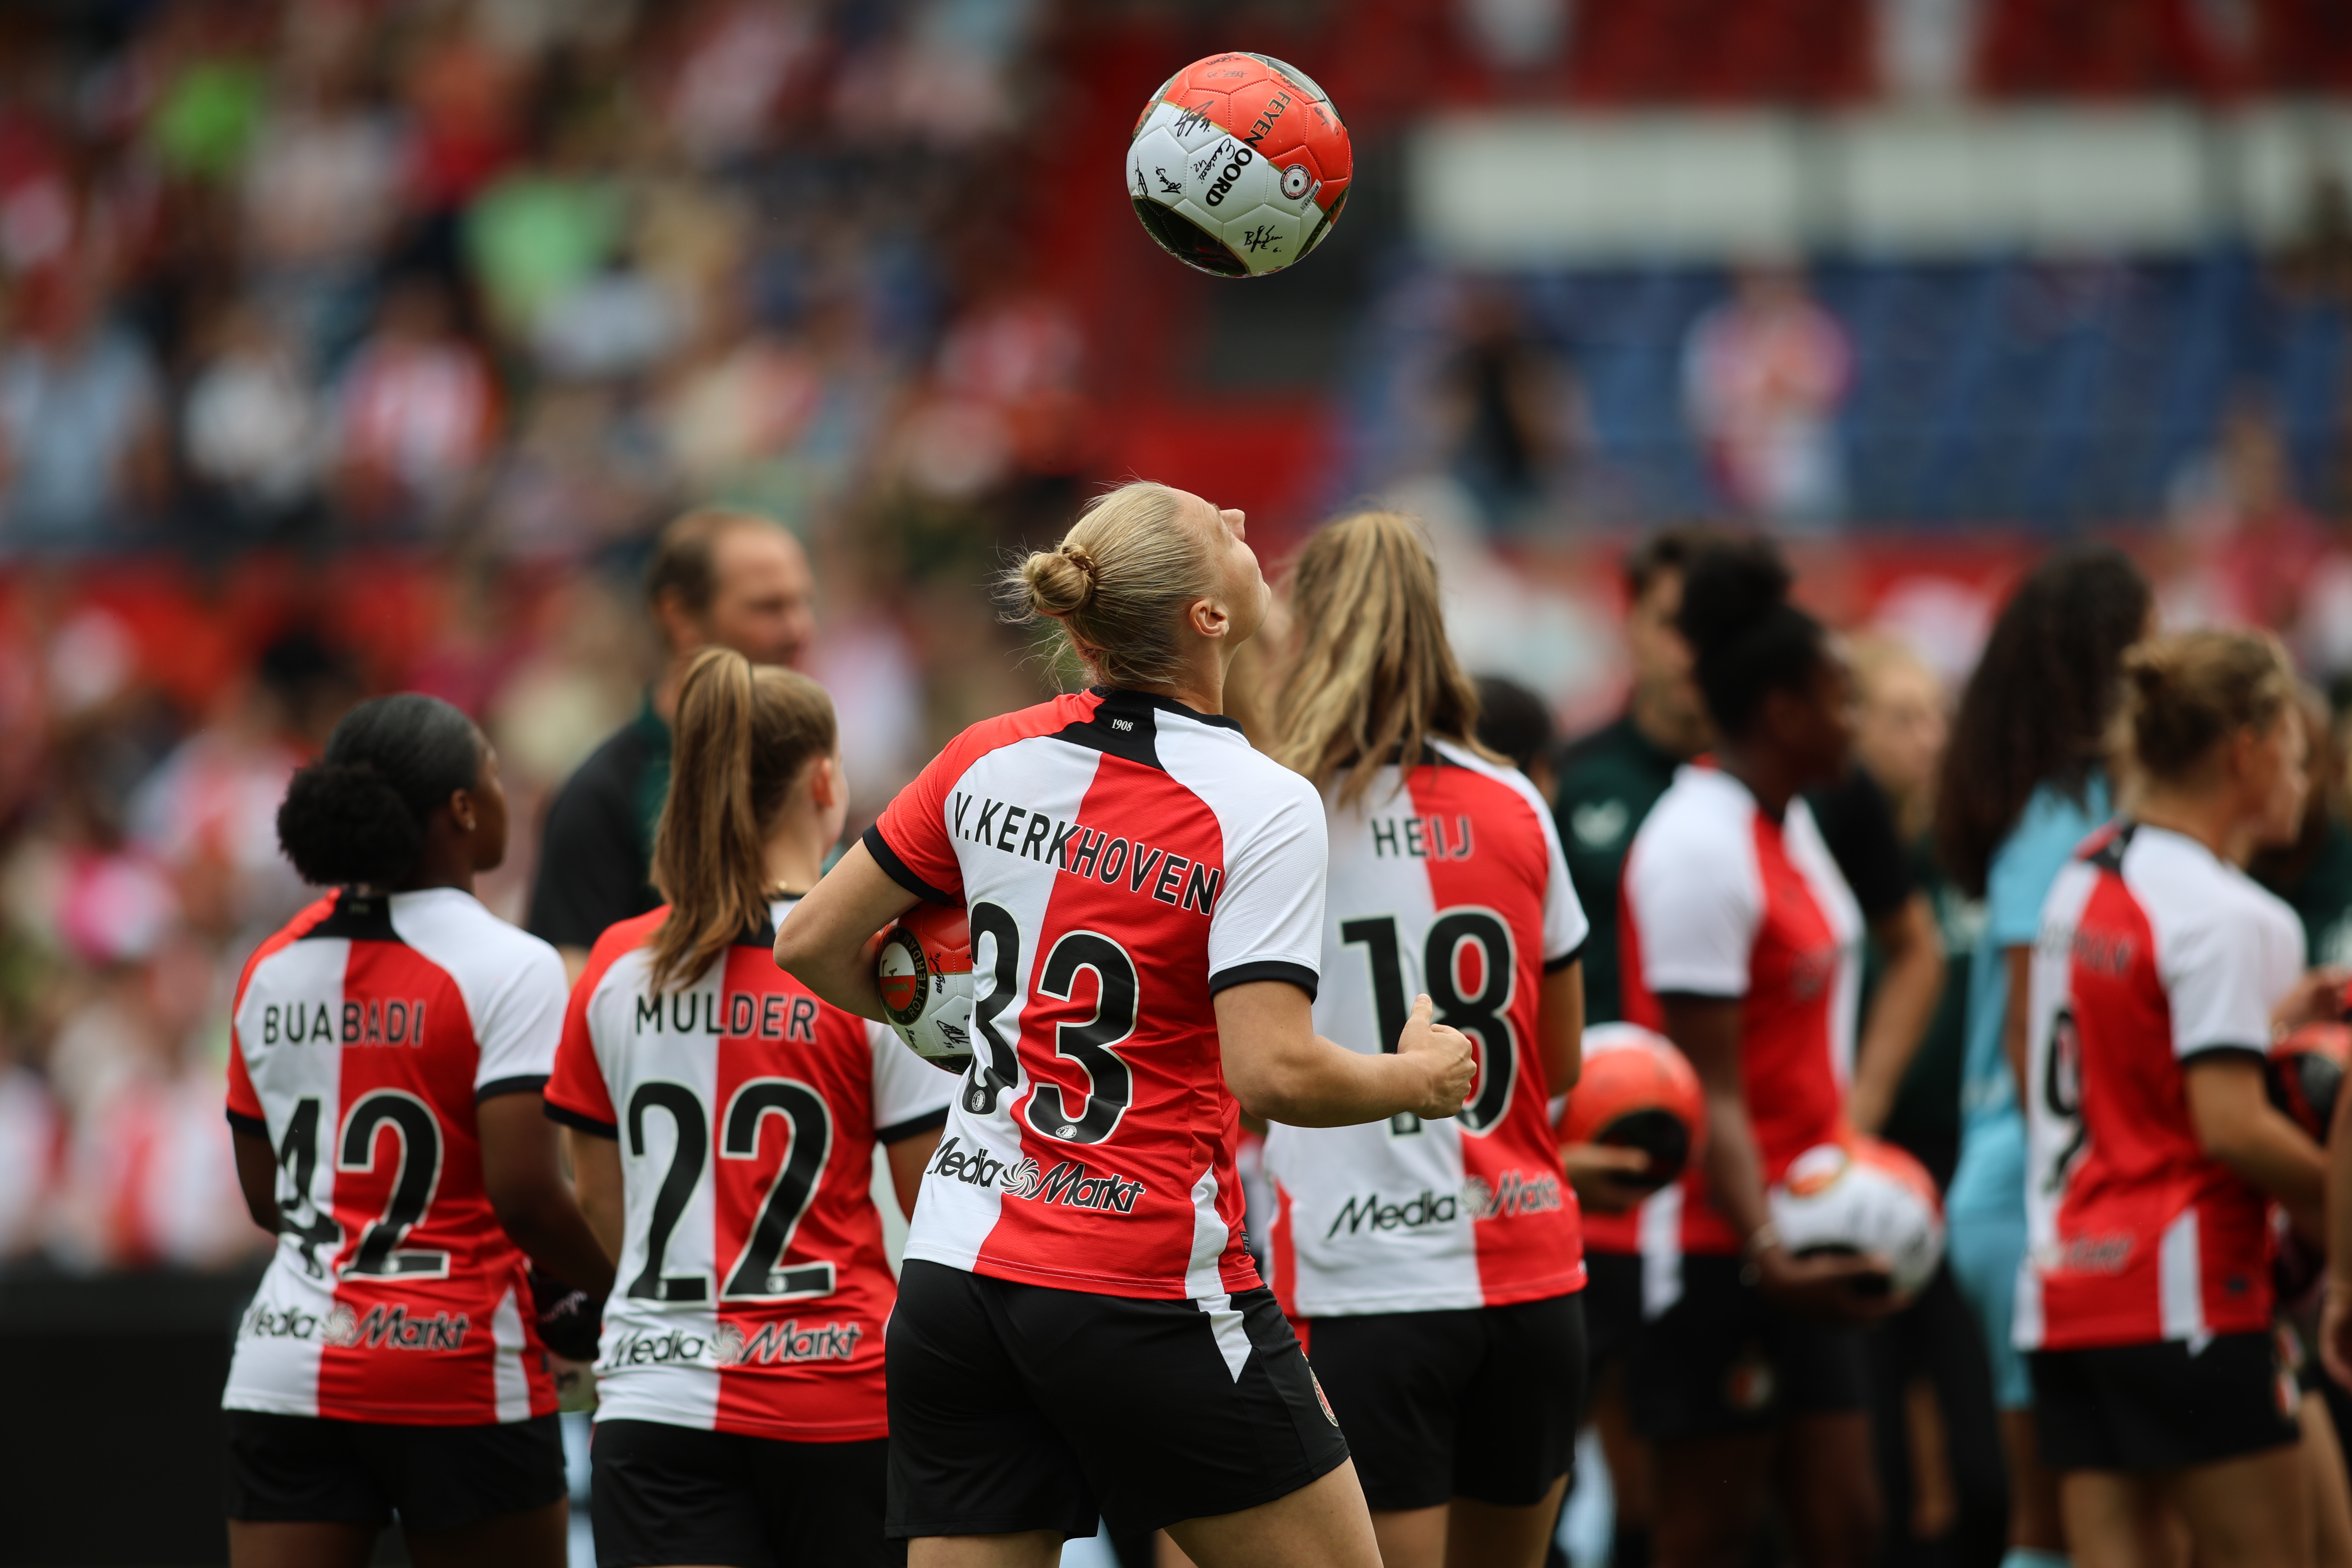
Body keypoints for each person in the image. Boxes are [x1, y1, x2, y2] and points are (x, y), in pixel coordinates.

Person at [771, 479, 1478, 1568]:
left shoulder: (983, 756)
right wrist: (1421, 1079)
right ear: (1208, 617)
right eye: (1221, 528)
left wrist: (950, 1028)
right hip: (1145, 1285)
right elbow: (1273, 1071)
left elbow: (814, 942)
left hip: (958, 1275)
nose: (1246, 527)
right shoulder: (1262, 802)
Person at [544, 648, 953, 1567]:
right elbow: (932, 1204)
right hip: (837, 1396)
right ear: (824, 779)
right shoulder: (876, 968)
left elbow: (600, 1197)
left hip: (656, 1398)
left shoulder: (614, 964)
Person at [1261, 512, 1592, 1568]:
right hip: (1530, 1272)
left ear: (1308, 629)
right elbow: (1565, 1064)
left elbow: (1258, 1075)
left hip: (1363, 1277)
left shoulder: (1284, 813)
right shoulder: (1518, 803)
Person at [221, 695, 615, 1568]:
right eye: (497, 774)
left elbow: (264, 1194)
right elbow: (526, 1197)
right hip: (459, 1366)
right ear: (466, 809)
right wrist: (623, 1288)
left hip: (285, 1361)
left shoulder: (271, 962)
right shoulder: (510, 963)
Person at [2020, 628, 2337, 1568]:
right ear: (2245, 750)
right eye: (2295, 752)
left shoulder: (2077, 880)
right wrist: (2343, 1201)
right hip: (2194, 1290)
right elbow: (2230, 1126)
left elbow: (2124, 1060)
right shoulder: (2240, 915)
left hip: (2071, 1289)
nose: (2301, 777)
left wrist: (2265, 1023)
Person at [1615, 538, 1888, 1568]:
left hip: (1802, 1226)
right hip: (1716, 1245)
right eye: (1841, 696)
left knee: (1849, 1524)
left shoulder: (1793, 823)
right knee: (1708, 1534)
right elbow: (1707, 1087)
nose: (1853, 719)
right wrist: (1766, 1251)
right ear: (1783, 710)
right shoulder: (1697, 846)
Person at [1935, 545, 2152, 1568]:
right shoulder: (2065, 812)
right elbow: (2037, 1035)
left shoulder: (2068, 801)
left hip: (2033, 1188)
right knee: (2061, 1518)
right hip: (2030, 1190)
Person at [529, 507, 817, 978]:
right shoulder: (602, 795)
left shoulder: (807, 766)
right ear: (679, 616)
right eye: (769, 608)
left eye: (804, 603)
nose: (800, 630)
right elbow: (575, 986)